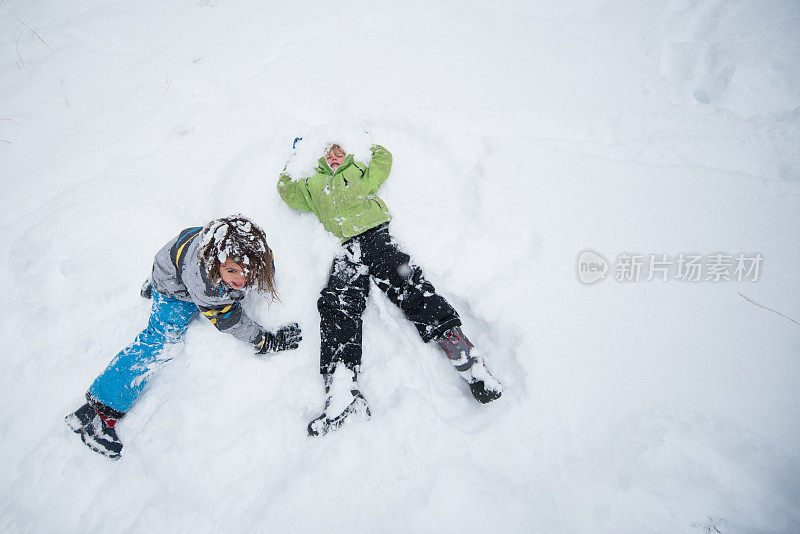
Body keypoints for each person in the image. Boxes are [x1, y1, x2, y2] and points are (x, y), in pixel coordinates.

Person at [277, 142, 502, 436]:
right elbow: (287, 193)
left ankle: (462, 351)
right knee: (338, 305)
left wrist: (371, 143)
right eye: (328, 155)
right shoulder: (312, 184)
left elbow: (382, 165)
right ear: (318, 160)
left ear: (347, 156)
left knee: (409, 285)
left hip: (376, 238)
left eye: (339, 154)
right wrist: (293, 162)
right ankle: (342, 390)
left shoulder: (357, 172)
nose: (333, 159)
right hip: (345, 249)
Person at [64, 215, 302, 459]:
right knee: (161, 342)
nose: (242, 279)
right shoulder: (206, 283)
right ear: (215, 265)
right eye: (232, 271)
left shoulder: (251, 251)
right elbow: (228, 319)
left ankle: (164, 278)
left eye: (248, 270)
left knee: (217, 280)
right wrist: (264, 341)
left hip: (179, 263)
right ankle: (97, 412)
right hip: (175, 289)